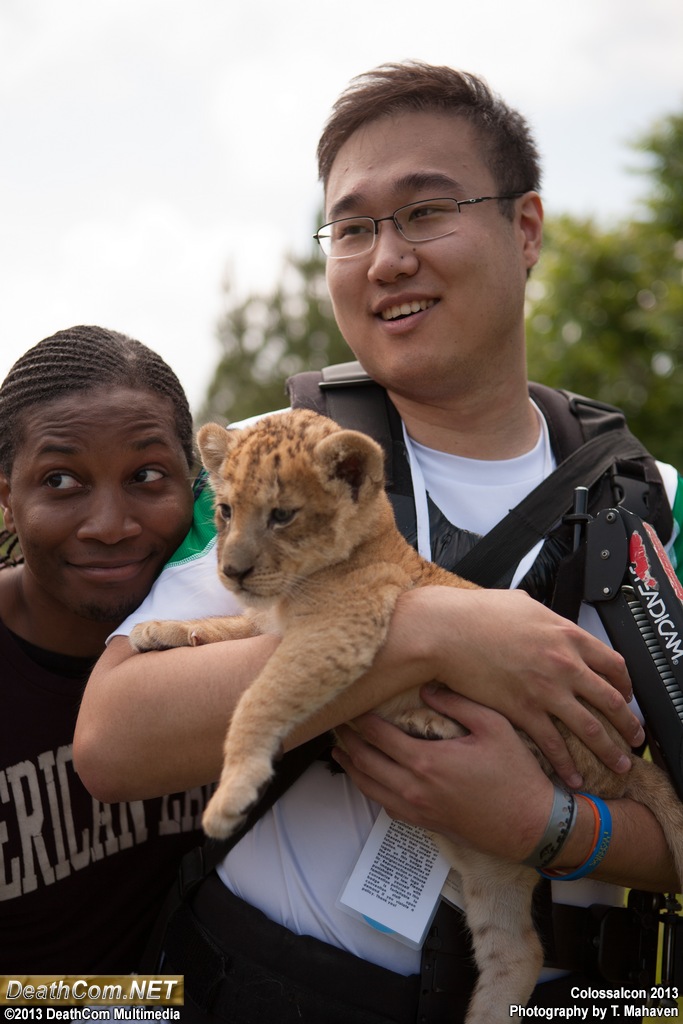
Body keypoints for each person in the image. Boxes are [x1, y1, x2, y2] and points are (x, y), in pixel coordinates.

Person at [74, 63, 682, 1021]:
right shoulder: (262, 464)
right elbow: (110, 740)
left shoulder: (655, 509)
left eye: (425, 211)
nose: (386, 258)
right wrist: (430, 636)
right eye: (351, 228)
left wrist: (548, 825)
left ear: (524, 229)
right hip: (269, 991)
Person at [0, 325, 214, 973]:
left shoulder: (229, 642)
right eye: (62, 481)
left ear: (197, 485)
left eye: (146, 476)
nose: (111, 526)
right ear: (7, 497)